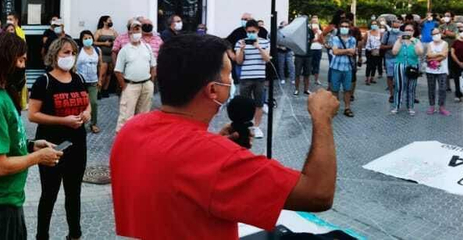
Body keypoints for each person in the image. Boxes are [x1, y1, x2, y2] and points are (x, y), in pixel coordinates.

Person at [111, 34, 338, 239]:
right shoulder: (217, 159)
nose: (231, 81)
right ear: (213, 90)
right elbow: (318, 193)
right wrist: (321, 117)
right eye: (229, 73)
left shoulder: (131, 129)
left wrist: (214, 143)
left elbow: (171, 174)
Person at [0, 33, 64, 239]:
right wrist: (38, 158)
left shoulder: (1, 93)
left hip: (5, 199)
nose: (23, 66)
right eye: (20, 60)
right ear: (4, 60)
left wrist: (30, 145)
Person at [28, 38, 90, 240]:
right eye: (65, 52)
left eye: (72, 52)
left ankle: (74, 234)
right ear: (54, 55)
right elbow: (33, 114)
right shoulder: (43, 81)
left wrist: (87, 114)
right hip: (52, 146)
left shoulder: (79, 78)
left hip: (78, 145)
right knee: (49, 194)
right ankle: (42, 236)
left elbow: (86, 104)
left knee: (74, 193)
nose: (69, 57)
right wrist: (63, 121)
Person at [230, 21, 270, 137]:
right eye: (249, 32)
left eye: (253, 31)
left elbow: (267, 59)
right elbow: (238, 61)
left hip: (260, 77)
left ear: (258, 31)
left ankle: (257, 127)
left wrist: (259, 47)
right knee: (245, 104)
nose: (251, 34)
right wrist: (241, 49)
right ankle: (245, 126)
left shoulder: (265, 42)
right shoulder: (240, 42)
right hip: (245, 77)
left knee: (259, 103)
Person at [115, 22, 158, 131]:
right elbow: (118, 71)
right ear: (129, 32)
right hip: (131, 85)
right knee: (126, 116)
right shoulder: (124, 50)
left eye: (138, 30)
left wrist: (151, 82)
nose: (136, 32)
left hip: (146, 84)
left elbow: (153, 66)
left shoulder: (147, 47)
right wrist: (124, 86)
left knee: (144, 115)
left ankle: (139, 137)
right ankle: (122, 139)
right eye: (134, 30)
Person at [75, 31, 106, 134]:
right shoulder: (78, 50)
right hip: (80, 81)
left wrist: (100, 79)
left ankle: (93, 123)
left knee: (94, 103)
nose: (88, 40)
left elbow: (100, 65)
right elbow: (74, 66)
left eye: (89, 37)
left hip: (93, 81)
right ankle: (80, 123)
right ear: (81, 40)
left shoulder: (97, 50)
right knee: (80, 103)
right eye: (85, 38)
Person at [327, 21, 360, 117]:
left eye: (346, 26)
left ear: (349, 28)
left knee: (347, 90)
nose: (344, 28)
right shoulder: (334, 38)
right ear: (339, 27)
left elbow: (353, 52)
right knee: (334, 90)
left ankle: (347, 108)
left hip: (347, 68)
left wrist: (342, 50)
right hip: (336, 67)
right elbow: (335, 51)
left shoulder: (353, 39)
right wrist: (347, 50)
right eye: (342, 26)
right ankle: (334, 108)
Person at [391, 24, 422, 115]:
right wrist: (400, 41)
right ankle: (396, 106)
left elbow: (419, 53)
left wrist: (414, 43)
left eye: (410, 30)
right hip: (400, 65)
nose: (408, 31)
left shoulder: (417, 41)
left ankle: (410, 107)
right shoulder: (399, 40)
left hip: (412, 66)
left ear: (414, 31)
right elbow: (394, 52)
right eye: (406, 30)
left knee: (411, 87)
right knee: (399, 87)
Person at [424, 27, 451, 115]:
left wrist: (433, 56)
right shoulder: (429, 44)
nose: (436, 35)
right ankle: (432, 106)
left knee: (442, 89)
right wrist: (438, 54)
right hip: (430, 70)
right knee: (431, 89)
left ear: (441, 33)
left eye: (438, 33)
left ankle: (442, 107)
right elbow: (428, 55)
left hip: (442, 70)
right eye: (434, 34)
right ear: (431, 35)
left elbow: (444, 55)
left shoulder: (445, 43)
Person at [93, 16, 118, 97]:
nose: (111, 22)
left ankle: (105, 90)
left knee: (109, 73)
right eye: (109, 20)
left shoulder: (113, 31)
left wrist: (114, 42)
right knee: (102, 73)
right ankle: (98, 90)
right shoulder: (99, 31)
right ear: (104, 22)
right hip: (102, 55)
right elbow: (93, 42)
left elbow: (118, 40)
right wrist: (104, 43)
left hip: (111, 55)